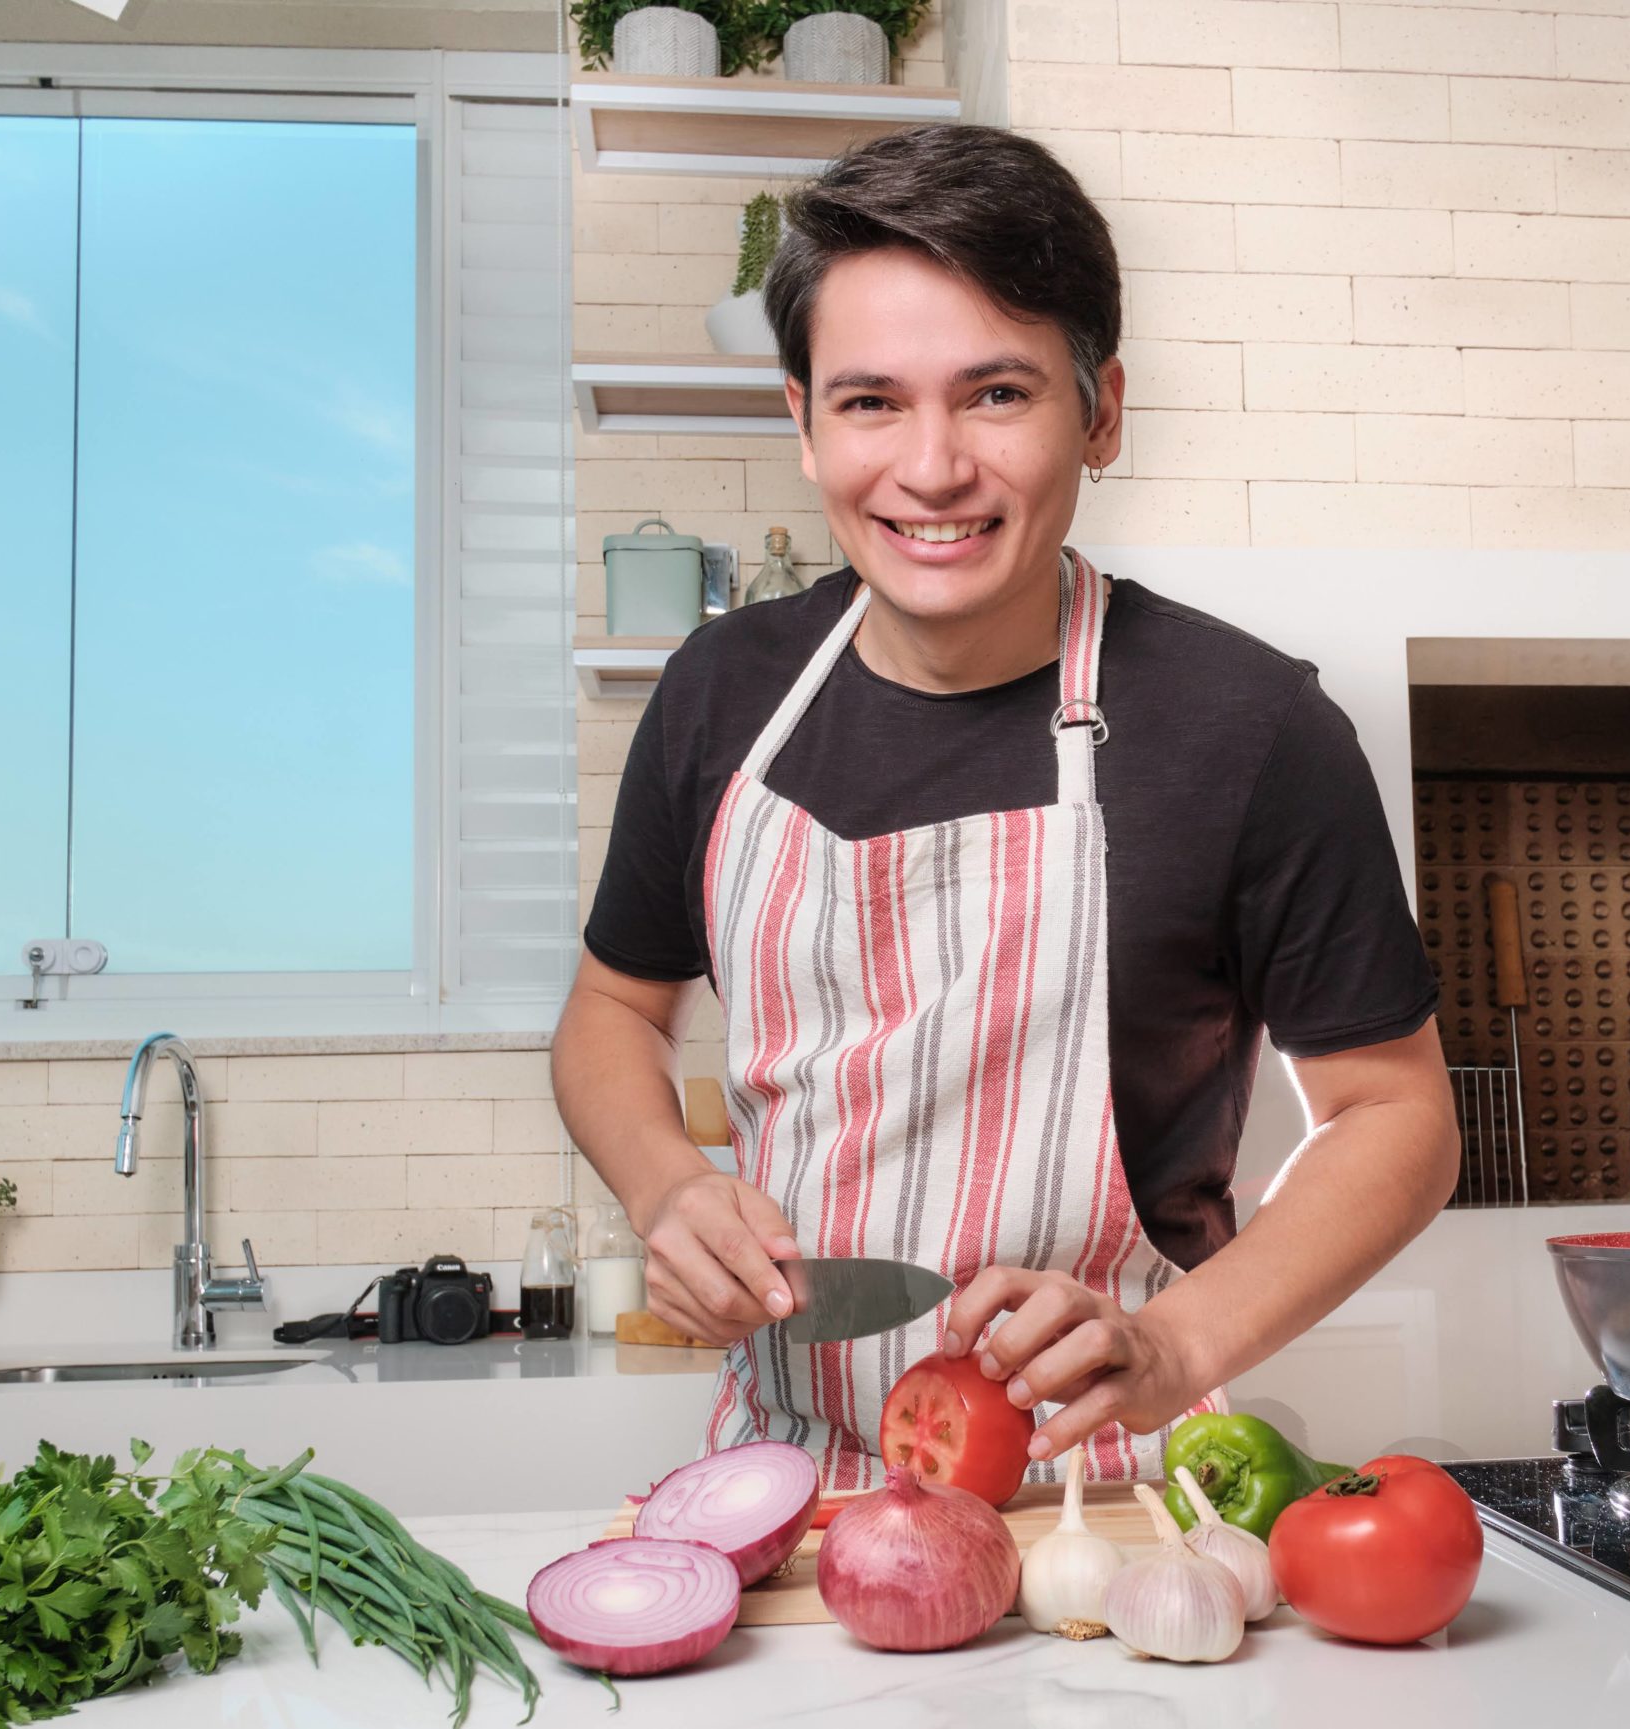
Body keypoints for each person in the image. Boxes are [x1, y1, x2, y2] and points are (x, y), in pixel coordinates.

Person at [551, 122, 1458, 1486]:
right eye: (870, 402)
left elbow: (1398, 1116)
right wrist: (667, 1187)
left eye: (995, 394)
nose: (930, 468)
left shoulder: (1252, 729)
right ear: (801, 423)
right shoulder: (721, 695)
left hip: (1116, 1501)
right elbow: (612, 1013)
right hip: (783, 1491)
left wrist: (1176, 1342)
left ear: (1100, 411)